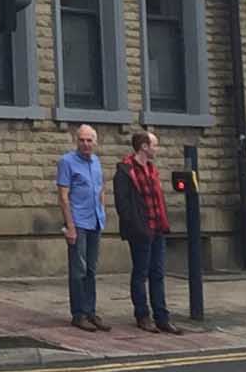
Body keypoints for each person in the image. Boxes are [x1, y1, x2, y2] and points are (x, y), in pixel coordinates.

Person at [114, 130, 184, 334]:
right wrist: (137, 227)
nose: (157, 148)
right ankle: (142, 316)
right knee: (140, 274)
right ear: (144, 147)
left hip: (157, 229)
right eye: (154, 144)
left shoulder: (152, 169)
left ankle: (162, 317)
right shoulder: (125, 171)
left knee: (158, 274)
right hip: (141, 231)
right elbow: (123, 204)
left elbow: (157, 199)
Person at [56, 125, 108, 331]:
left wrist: (102, 212)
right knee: (79, 270)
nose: (86, 144)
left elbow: (101, 189)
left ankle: (90, 311)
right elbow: (63, 197)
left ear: (95, 142)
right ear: (76, 141)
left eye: (89, 140)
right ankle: (78, 313)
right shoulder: (67, 162)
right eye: (82, 140)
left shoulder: (96, 162)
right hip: (78, 222)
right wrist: (70, 226)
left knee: (92, 270)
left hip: (95, 221)